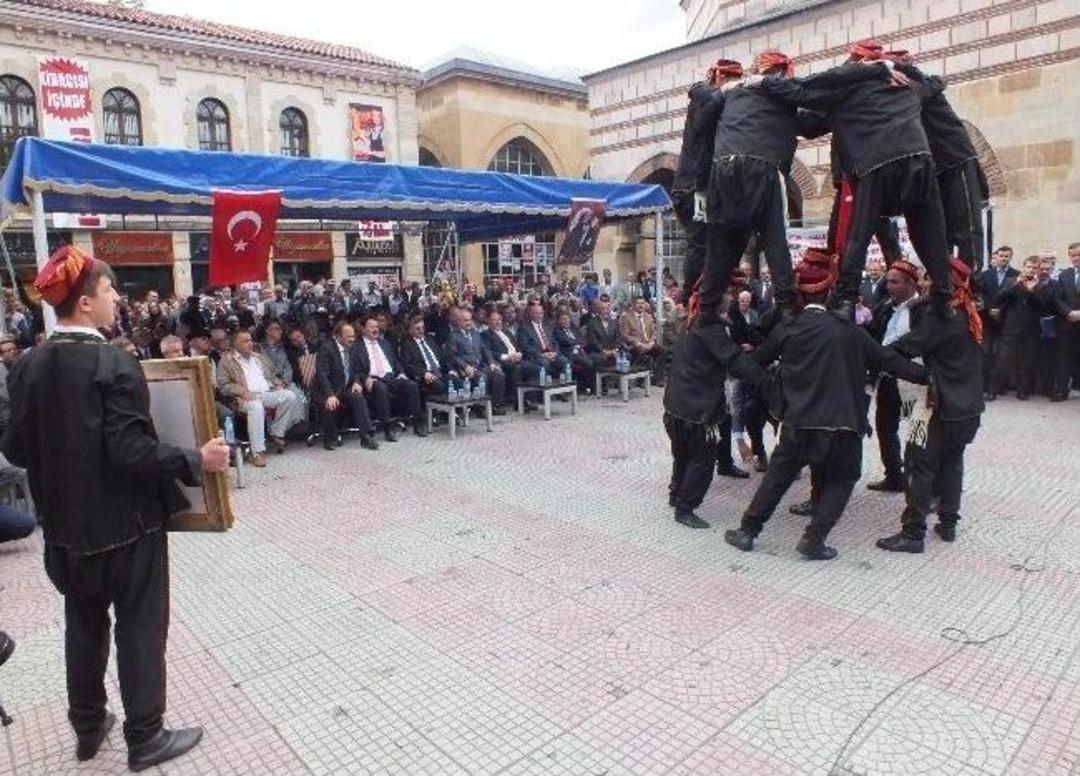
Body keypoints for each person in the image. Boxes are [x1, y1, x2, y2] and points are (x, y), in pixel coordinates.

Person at [1, 246, 230, 771]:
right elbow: (130, 452)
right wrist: (197, 458)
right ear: (85, 303)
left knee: (83, 626)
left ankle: (88, 726)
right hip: (126, 527)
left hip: (63, 532)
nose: (116, 299)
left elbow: (14, 449)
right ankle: (145, 737)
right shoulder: (113, 361)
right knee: (140, 628)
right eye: (108, 291)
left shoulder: (28, 364)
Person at [723, 250, 928, 560]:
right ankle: (813, 540)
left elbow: (752, 364)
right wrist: (932, 377)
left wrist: (770, 383)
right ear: (830, 290)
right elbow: (891, 361)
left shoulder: (789, 328)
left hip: (798, 422)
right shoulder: (852, 332)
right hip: (844, 424)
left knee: (777, 478)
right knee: (842, 479)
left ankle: (747, 532)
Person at [751, 39, 955, 316]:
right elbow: (935, 83)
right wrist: (904, 69)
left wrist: (763, 85)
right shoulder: (906, 83)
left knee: (859, 235)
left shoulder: (846, 89)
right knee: (929, 229)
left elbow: (804, 105)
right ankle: (944, 298)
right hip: (919, 158)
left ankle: (846, 299)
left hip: (875, 163)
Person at [877, 258, 986, 551]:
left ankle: (913, 534)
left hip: (939, 406)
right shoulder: (968, 310)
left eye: (928, 279)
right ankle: (948, 524)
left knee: (917, 463)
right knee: (952, 462)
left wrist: (870, 353)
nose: (923, 284)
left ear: (943, 285)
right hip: (969, 408)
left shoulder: (942, 317)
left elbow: (904, 347)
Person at [663, 285, 771, 529]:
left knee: (682, 453)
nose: (731, 298)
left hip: (676, 402)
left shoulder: (693, 322)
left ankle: (676, 493)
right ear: (717, 299)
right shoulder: (711, 329)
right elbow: (735, 362)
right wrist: (769, 381)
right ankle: (685, 507)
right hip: (696, 408)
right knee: (701, 459)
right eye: (727, 294)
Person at [889, 49, 989, 270]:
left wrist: (899, 67)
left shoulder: (916, 86)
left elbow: (920, 90)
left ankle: (971, 283)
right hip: (933, 168)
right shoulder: (912, 87)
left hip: (956, 159)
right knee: (938, 231)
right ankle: (943, 281)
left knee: (966, 228)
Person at [672, 59, 741, 297]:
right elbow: (704, 122)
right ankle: (690, 296)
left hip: (705, 186)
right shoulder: (704, 97)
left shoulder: (714, 97)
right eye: (729, 79)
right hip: (695, 186)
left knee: (716, 240)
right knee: (700, 242)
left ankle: (708, 292)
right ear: (719, 78)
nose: (734, 84)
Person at [866, 259, 922, 492]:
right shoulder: (886, 306)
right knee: (885, 429)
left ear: (910, 284)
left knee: (917, 432)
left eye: (894, 282)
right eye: (888, 281)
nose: (888, 286)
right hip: (888, 379)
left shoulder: (922, 310)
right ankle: (893, 475)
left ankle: (919, 481)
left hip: (913, 381)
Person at [216, 330, 305, 465]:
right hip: (243, 398)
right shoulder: (226, 361)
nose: (250, 343)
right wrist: (242, 391)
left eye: (250, 340)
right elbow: (223, 385)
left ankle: (276, 432)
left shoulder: (259, 357)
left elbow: (273, 373)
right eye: (245, 341)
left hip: (266, 393)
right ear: (235, 344)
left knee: (290, 396)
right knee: (256, 407)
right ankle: (257, 452)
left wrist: (277, 383)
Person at [352, 316, 426, 440]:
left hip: (391, 377)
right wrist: (365, 378)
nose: (376, 329)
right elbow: (355, 369)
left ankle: (417, 423)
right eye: (372, 327)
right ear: (364, 329)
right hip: (373, 379)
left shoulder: (385, 343)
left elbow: (396, 361)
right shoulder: (357, 347)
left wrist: (401, 373)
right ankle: (388, 428)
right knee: (381, 388)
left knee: (412, 385)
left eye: (377, 327)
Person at [313, 321, 378, 451]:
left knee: (358, 397)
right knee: (330, 403)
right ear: (338, 336)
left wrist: (357, 382)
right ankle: (330, 438)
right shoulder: (327, 349)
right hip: (328, 389)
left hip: (345, 388)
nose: (352, 339)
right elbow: (322, 375)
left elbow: (357, 371)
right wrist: (330, 395)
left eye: (353, 335)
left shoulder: (352, 349)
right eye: (348, 336)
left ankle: (366, 436)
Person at [991, 255, 1042, 400]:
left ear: (1038, 270)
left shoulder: (1040, 285)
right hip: (1011, 328)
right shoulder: (1010, 281)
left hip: (1031, 330)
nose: (1031, 270)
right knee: (1002, 360)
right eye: (1029, 267)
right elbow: (999, 298)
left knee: (1026, 362)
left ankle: (1022, 391)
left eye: (1034, 268)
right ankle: (992, 390)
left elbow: (1043, 307)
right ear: (1023, 267)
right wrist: (1016, 284)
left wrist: (1032, 291)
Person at [446, 307, 508, 413]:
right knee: (481, 377)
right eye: (466, 320)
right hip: (465, 368)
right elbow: (452, 356)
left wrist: (491, 362)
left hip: (480, 365)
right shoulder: (453, 336)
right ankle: (481, 408)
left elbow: (485, 349)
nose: (469, 323)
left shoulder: (475, 333)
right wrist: (465, 366)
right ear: (459, 322)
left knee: (498, 374)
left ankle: (496, 405)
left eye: (470, 320)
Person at [976, 246, 1018, 398]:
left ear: (1010, 258)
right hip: (987, 320)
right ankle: (983, 386)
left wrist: (1000, 309)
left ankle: (996, 388)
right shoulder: (986, 275)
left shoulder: (1016, 275)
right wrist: (990, 308)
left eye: (1007, 256)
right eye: (1001, 256)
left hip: (1006, 321)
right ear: (996, 257)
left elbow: (1014, 298)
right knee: (985, 355)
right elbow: (980, 294)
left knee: (1001, 357)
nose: (1003, 258)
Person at [398, 314, 449, 405]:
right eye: (418, 329)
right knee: (440, 385)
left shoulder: (430, 339)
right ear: (410, 330)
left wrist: (451, 370)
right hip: (424, 376)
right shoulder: (407, 344)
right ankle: (444, 413)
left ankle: (460, 411)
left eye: (423, 328)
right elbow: (408, 365)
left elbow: (442, 357)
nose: (421, 331)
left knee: (455, 380)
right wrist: (424, 373)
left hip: (440, 372)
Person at [1053, 242, 1080, 401]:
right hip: (1068, 323)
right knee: (1064, 358)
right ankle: (1062, 391)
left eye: (1079, 254)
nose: (1076, 258)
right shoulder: (1064, 275)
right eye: (1073, 255)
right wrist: (1069, 311)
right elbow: (1057, 299)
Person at [619, 297, 665, 384]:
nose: (641, 305)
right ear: (633, 305)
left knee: (662, 351)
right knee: (640, 352)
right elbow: (624, 334)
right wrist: (637, 343)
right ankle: (640, 380)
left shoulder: (648, 316)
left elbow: (654, 332)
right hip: (634, 345)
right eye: (638, 303)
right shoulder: (626, 317)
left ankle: (657, 378)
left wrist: (651, 342)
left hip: (648, 344)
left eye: (643, 303)